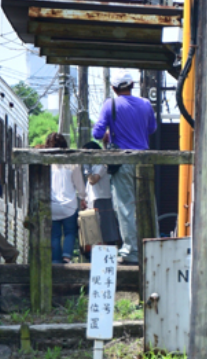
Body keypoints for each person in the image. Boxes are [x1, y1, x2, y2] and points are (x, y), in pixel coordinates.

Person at [92, 70, 157, 264]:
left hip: (123, 162)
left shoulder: (110, 104)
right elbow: (152, 128)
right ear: (132, 86)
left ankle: (132, 252)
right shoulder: (146, 104)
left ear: (113, 88)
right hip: (145, 161)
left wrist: (111, 135)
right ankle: (152, 247)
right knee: (147, 204)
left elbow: (97, 133)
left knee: (126, 207)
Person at [44, 132, 86, 264]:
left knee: (55, 235)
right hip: (69, 206)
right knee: (70, 232)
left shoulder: (46, 163)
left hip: (52, 205)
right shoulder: (72, 163)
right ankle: (67, 257)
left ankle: (55, 261)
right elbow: (79, 184)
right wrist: (83, 197)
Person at [82, 141, 120, 245]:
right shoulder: (92, 166)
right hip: (92, 200)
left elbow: (93, 180)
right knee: (94, 232)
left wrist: (87, 170)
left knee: (104, 231)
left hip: (102, 199)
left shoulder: (102, 164)